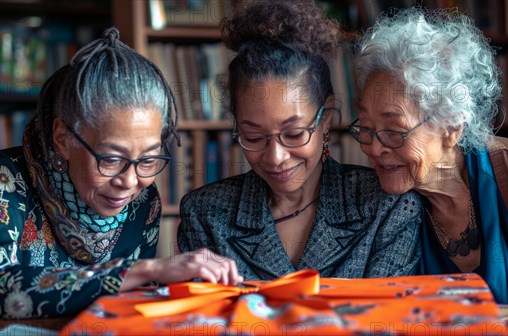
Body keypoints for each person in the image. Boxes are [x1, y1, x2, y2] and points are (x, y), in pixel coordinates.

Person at [0, 27, 241, 319]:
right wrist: (144, 271)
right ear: (63, 139)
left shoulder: (143, 202)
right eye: (111, 159)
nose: (129, 181)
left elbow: (124, 306)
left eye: (148, 161)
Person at [177, 0, 422, 281]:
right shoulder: (206, 214)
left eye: (293, 134)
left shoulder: (387, 207)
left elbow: (385, 319)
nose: (275, 157)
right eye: (254, 136)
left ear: (326, 116)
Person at [351, 7, 508, 307]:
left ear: (451, 126)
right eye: (366, 129)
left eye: (394, 130)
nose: (374, 148)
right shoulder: (387, 211)